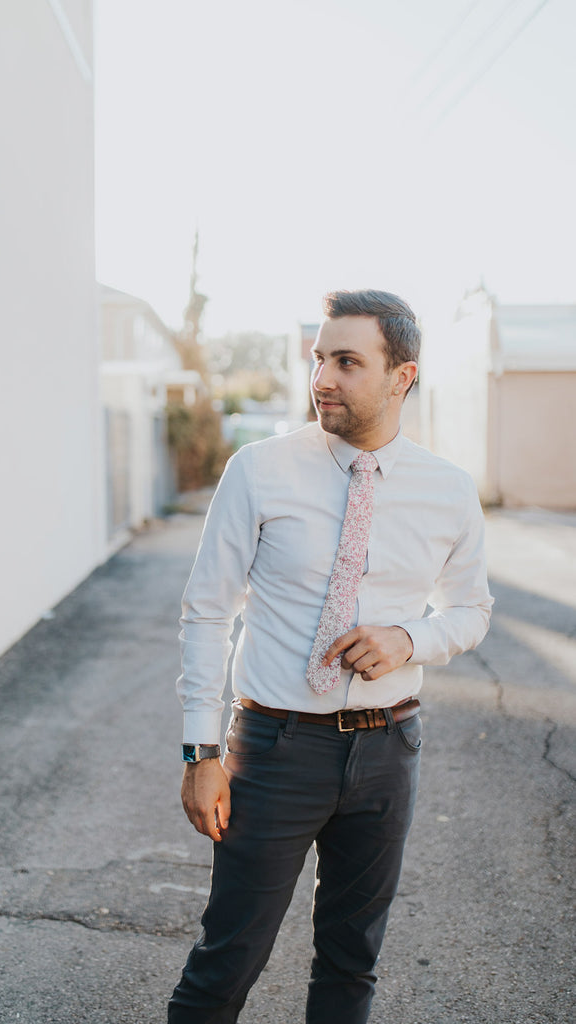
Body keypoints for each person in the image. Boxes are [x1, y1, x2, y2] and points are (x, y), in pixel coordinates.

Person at [168, 289, 493, 1024]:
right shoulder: (259, 469)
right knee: (225, 962)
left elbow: (471, 610)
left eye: (346, 362)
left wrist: (410, 639)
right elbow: (207, 610)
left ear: (401, 376)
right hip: (274, 748)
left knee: (351, 965)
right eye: (318, 358)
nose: (321, 378)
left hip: (387, 750)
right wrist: (200, 750)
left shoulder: (447, 491)